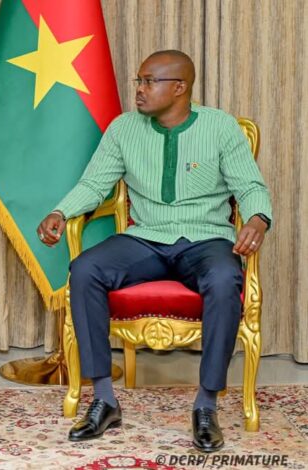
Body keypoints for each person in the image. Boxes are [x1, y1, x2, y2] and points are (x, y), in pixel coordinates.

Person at [37, 50, 272, 453]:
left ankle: (206, 406)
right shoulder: (123, 128)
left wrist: (257, 219)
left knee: (224, 278)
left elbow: (250, 186)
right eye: (139, 81)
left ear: (179, 88)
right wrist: (61, 211)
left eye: (149, 81)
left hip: (206, 239)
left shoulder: (221, 127)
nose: (140, 90)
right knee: (85, 268)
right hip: (145, 238)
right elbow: (95, 184)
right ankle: (104, 400)